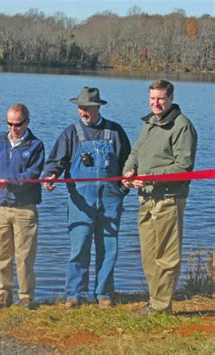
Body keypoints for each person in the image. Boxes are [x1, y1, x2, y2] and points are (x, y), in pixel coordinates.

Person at [43, 87, 131, 309]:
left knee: (109, 247)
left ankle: (104, 293)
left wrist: (124, 188)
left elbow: (129, 163)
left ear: (98, 108)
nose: (83, 112)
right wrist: (50, 176)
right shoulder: (70, 133)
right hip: (81, 201)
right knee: (79, 247)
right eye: (80, 108)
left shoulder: (115, 131)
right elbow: (55, 162)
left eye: (87, 108)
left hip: (111, 199)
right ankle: (74, 294)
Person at [122, 79, 198, 314]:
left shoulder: (182, 126)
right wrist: (128, 170)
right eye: (152, 98)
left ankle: (162, 306)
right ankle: (154, 300)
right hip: (146, 197)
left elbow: (183, 167)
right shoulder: (150, 123)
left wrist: (148, 176)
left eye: (160, 99)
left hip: (168, 199)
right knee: (149, 253)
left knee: (166, 254)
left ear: (171, 98)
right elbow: (136, 151)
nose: (156, 103)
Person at [0, 103, 45, 309]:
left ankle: (26, 296)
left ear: (27, 122)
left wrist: (9, 182)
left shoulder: (36, 145)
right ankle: (4, 292)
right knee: (0, 253)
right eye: (9, 124)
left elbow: (32, 174)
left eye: (17, 124)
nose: (13, 129)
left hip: (24, 208)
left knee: (25, 256)